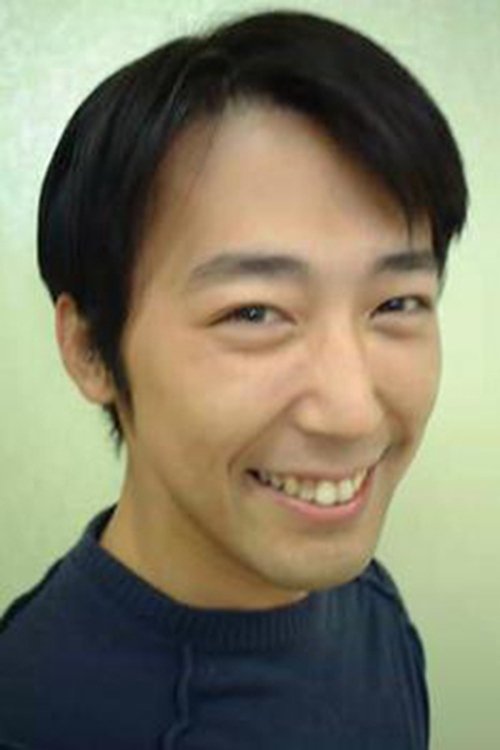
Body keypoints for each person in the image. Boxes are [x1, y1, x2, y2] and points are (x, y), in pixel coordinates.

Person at [0, 9, 467, 750]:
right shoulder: (35, 714)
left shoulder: (369, 600)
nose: (352, 413)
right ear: (90, 350)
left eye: (396, 303)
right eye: (254, 312)